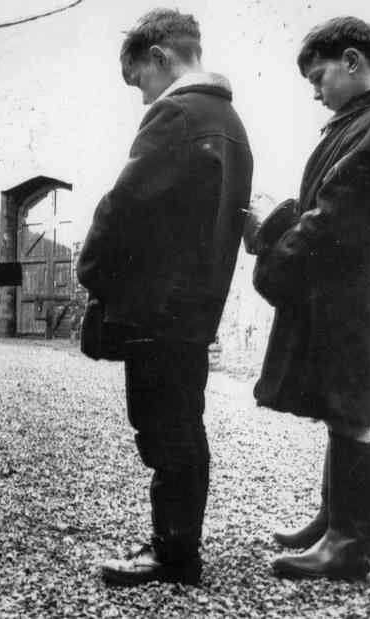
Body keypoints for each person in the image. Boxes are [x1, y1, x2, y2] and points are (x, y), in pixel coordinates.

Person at [76, 9, 253, 586]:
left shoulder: (175, 114)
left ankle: (174, 556)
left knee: (163, 430)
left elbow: (121, 207)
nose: (142, 98)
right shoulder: (231, 122)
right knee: (184, 424)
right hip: (195, 308)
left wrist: (93, 273)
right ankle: (178, 544)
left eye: (141, 83)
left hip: (156, 307)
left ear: (159, 58)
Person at [251, 16, 370, 581]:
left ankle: (348, 544)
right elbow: (318, 208)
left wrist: (272, 262)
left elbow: (333, 219)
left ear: (350, 61)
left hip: (343, 288)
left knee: (351, 409)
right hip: (333, 286)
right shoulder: (359, 122)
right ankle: (332, 518)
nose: (315, 92)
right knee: (338, 402)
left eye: (318, 77)